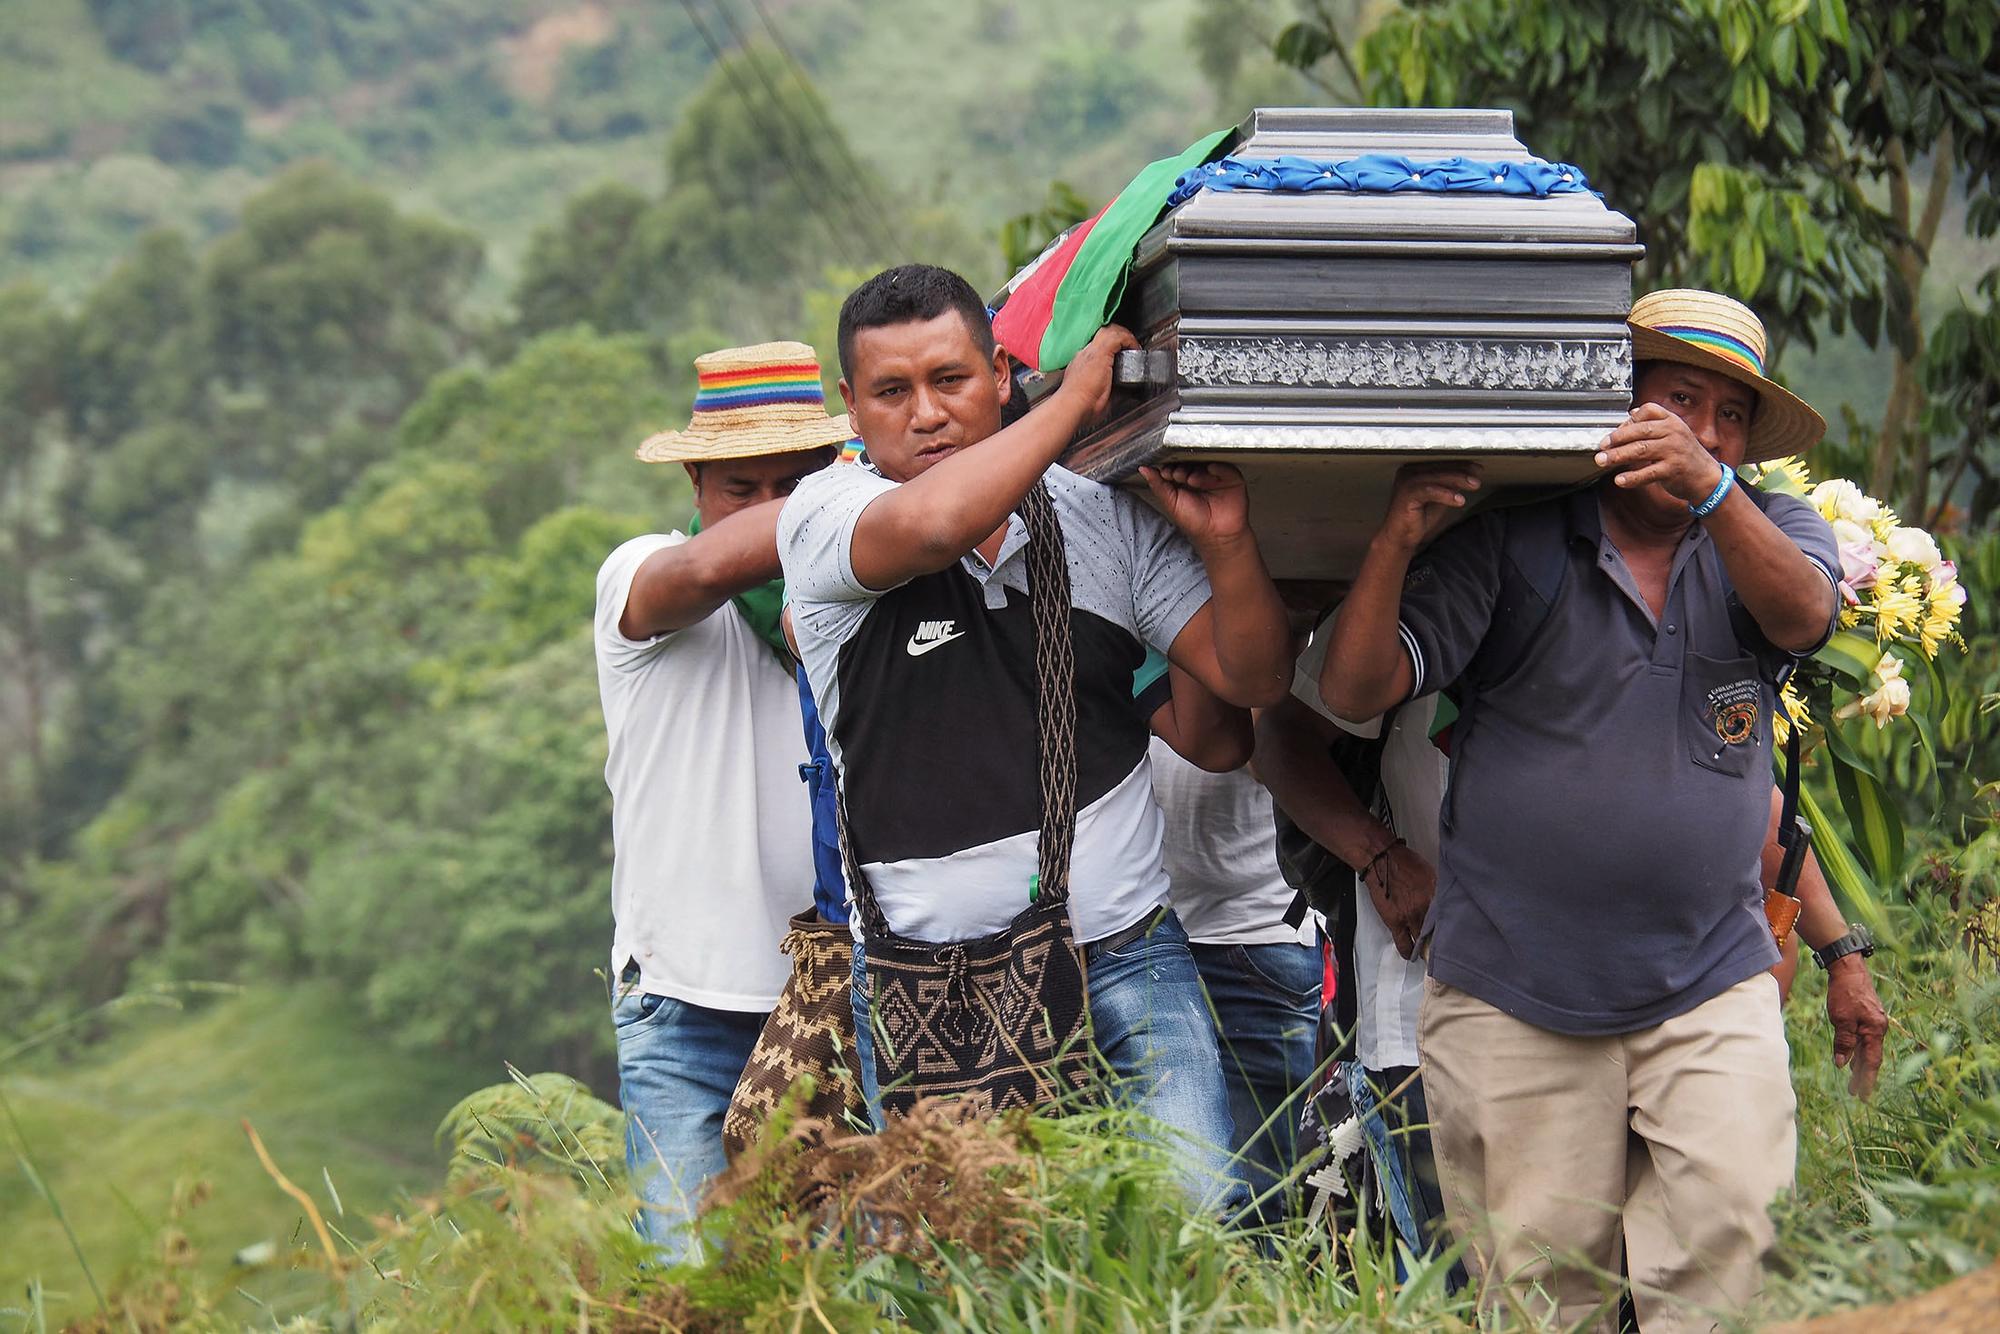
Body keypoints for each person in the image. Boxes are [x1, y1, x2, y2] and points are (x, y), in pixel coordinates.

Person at [1312, 289, 1889, 1328]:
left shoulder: (1766, 529)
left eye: (1727, 416)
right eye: (1678, 399)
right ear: (1616, 402)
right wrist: (1396, 538)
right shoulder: (1510, 545)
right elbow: (1357, 693)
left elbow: (1803, 616)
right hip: (1513, 997)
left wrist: (1717, 494)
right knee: (1540, 1299)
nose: (1702, 432)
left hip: (1708, 981)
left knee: (1729, 1273)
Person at [778, 263, 1293, 1208]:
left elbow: (1254, 679)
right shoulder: (824, 519)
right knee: (970, 1276)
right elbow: (936, 522)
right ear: (849, 408)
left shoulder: (1099, 516)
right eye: (893, 392)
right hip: (927, 988)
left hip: (1125, 957)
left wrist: (1225, 543)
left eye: (952, 380)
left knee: (1190, 1241)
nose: (926, 413)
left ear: (1001, 375)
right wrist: (1079, 402)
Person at [594, 341, 848, 1259]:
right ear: (697, 482)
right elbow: (703, 574)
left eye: (797, 480)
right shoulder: (643, 573)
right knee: (695, 1288)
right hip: (684, 1004)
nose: (770, 508)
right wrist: (829, 505)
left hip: (831, 998)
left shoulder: (853, 595)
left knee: (838, 1293)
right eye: (743, 487)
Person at [1140, 652, 1321, 1224]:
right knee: (1170, 1214)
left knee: (1268, 1209)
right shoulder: (1112, 604)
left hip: (1256, 939)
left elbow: (1276, 757)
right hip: (1137, 948)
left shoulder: (1260, 618)